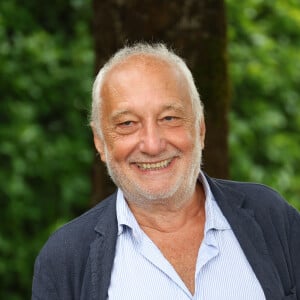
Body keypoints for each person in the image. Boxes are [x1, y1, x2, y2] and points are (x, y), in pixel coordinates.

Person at [32, 43, 300, 300]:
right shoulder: (66, 258)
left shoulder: (271, 216)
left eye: (169, 118)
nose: (152, 144)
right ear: (100, 142)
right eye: (127, 123)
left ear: (200, 128)